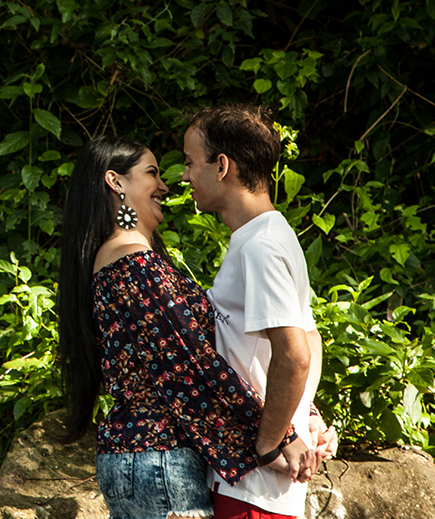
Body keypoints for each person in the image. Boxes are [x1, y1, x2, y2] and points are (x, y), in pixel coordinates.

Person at [57, 135, 313, 519]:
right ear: (116, 182)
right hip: (156, 457)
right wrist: (273, 439)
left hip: (147, 457)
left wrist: (301, 413)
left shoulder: (124, 259)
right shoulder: (133, 264)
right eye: (152, 173)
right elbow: (190, 367)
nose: (164, 184)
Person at [182, 105, 336, 519]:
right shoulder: (270, 235)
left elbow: (295, 354)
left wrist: (268, 443)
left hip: (253, 485)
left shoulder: (260, 248)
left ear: (222, 166)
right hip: (258, 485)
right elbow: (311, 338)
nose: (183, 176)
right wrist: (306, 416)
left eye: (190, 162)